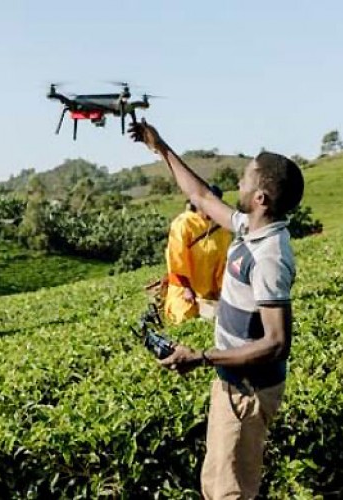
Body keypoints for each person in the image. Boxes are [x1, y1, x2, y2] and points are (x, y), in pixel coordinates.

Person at [130, 119, 304, 499]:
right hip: (231, 383)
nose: (238, 183)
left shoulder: (270, 256)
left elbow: (277, 343)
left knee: (231, 492)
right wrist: (160, 148)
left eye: (246, 178)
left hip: (248, 391)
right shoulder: (249, 228)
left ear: (261, 198)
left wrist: (203, 357)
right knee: (216, 483)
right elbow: (203, 196)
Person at [164, 186, 232, 323]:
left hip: (211, 289)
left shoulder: (221, 227)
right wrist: (187, 289)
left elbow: (224, 261)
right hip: (185, 288)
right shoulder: (183, 223)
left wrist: (222, 289)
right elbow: (176, 260)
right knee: (184, 316)